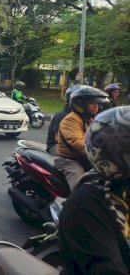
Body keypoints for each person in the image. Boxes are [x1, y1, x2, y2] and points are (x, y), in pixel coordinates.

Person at [59, 106, 130, 274]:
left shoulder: (90, 120)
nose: (94, 105)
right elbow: (75, 141)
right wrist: (88, 150)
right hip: (70, 157)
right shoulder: (69, 119)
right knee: (76, 178)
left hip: (93, 157)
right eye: (89, 102)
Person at [55, 86, 109, 190]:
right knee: (80, 189)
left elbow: (99, 135)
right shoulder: (71, 119)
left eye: (97, 103)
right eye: (92, 103)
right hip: (69, 160)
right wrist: (100, 152)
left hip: (84, 157)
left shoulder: (88, 118)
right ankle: (73, 205)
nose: (96, 106)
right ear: (81, 104)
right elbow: (77, 142)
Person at [46, 85, 85, 155]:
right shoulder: (62, 115)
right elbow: (57, 138)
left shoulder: (79, 115)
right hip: (55, 146)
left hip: (69, 146)